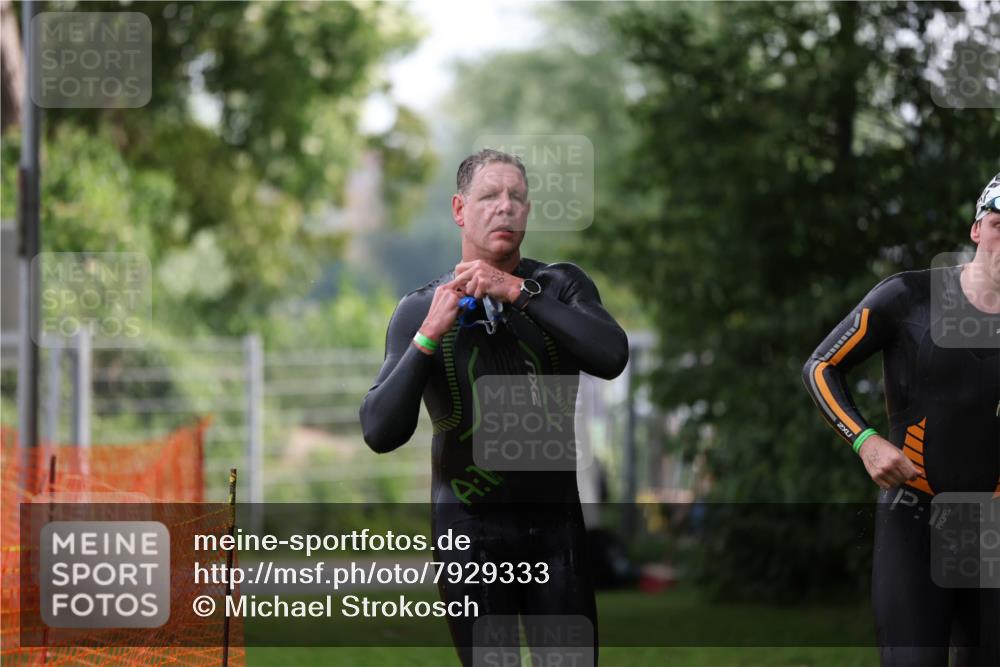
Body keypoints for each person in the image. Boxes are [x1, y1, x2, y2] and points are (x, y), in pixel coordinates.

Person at [359, 149, 629, 666]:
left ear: (527, 212)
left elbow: (611, 355)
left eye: (516, 198)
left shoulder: (559, 286)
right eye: (489, 196)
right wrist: (428, 337)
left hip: (556, 530)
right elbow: (379, 431)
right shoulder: (422, 307)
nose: (504, 207)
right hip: (469, 533)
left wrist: (517, 293)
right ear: (460, 210)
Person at [802, 173, 1000, 666]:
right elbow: (820, 367)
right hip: (914, 519)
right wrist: (865, 440)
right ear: (977, 229)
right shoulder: (909, 297)